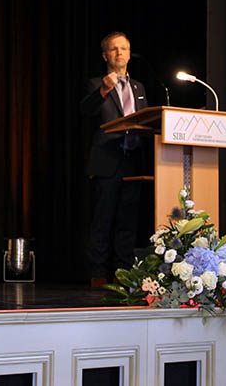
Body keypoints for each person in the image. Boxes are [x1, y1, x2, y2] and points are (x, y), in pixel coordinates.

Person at [80, 32, 147, 287]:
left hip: (133, 162)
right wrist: (104, 90)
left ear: (129, 53)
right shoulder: (96, 83)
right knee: (102, 220)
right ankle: (98, 274)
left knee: (127, 222)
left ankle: (123, 274)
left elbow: (145, 119)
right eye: (114, 49)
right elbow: (85, 110)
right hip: (107, 162)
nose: (119, 53)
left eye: (124, 48)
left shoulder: (139, 87)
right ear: (105, 55)